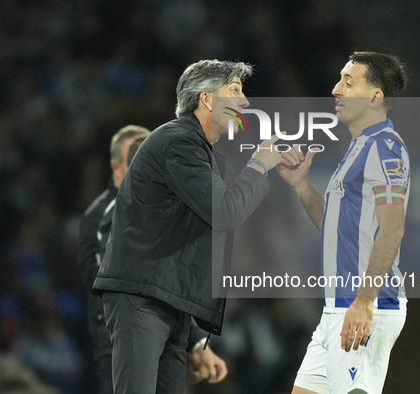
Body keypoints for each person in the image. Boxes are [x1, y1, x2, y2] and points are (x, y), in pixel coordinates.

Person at [93, 59, 281, 394]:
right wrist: (258, 165)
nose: (246, 102)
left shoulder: (203, 151)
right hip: (142, 298)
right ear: (208, 99)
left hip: (168, 301)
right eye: (235, 91)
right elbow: (226, 212)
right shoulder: (178, 142)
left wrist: (195, 340)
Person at [278, 52, 409, 394]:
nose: (336, 89)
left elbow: (392, 227)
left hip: (364, 303)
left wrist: (364, 302)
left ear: (375, 97)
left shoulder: (384, 148)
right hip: (338, 307)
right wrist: (302, 186)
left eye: (348, 82)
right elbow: (336, 230)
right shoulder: (357, 149)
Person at [79, 126, 228, 394]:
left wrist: (195, 342)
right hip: (119, 341)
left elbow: (167, 282)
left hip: (162, 328)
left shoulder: (163, 211)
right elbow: (113, 281)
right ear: (116, 168)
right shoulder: (103, 215)